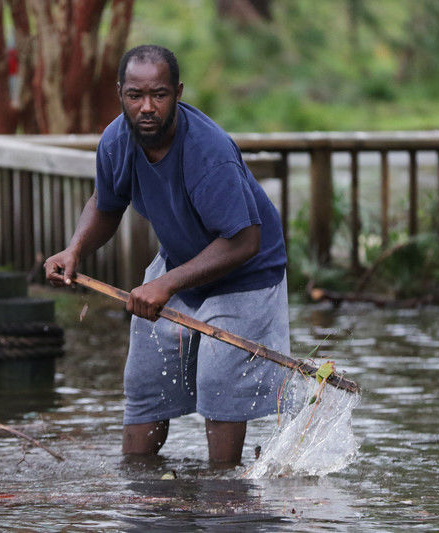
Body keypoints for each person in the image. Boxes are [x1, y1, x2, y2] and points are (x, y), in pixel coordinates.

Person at [44, 44, 289, 466]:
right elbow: (105, 203)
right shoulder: (116, 141)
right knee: (144, 382)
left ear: (177, 92)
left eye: (158, 95)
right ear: (120, 92)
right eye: (135, 95)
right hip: (180, 261)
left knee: (219, 383)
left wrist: (165, 284)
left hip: (245, 273)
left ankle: (221, 494)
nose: (147, 108)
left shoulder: (207, 153)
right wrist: (74, 248)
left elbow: (245, 241)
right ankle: (140, 492)